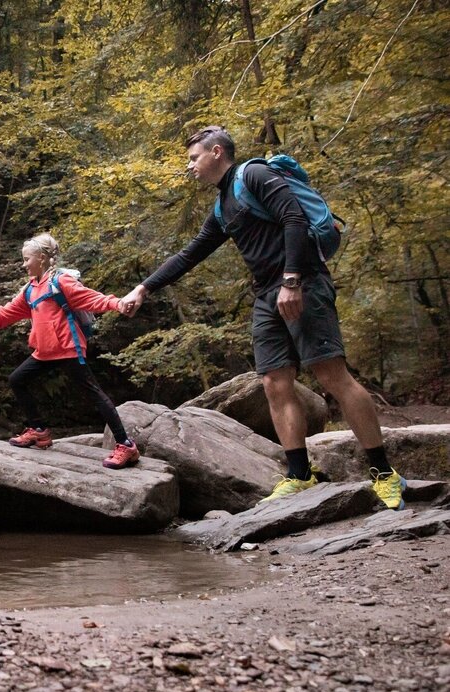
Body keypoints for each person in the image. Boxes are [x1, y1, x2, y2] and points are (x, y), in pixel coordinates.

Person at [119, 125, 406, 509]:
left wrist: (292, 280)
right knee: (274, 381)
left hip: (303, 283)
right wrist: (144, 288)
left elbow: (293, 218)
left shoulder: (254, 175)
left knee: (330, 374)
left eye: (194, 158)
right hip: (267, 294)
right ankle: (299, 475)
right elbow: (190, 254)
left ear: (217, 152)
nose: (190, 166)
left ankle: (384, 473)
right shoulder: (223, 206)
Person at [0, 233, 141, 470]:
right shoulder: (30, 290)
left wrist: (117, 303)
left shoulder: (61, 282)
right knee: (17, 379)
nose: (24, 264)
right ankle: (39, 431)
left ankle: (126, 444)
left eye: (26, 259)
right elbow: (5, 313)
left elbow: (90, 299)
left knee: (94, 394)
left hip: (68, 347)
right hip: (45, 350)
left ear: (41, 258)